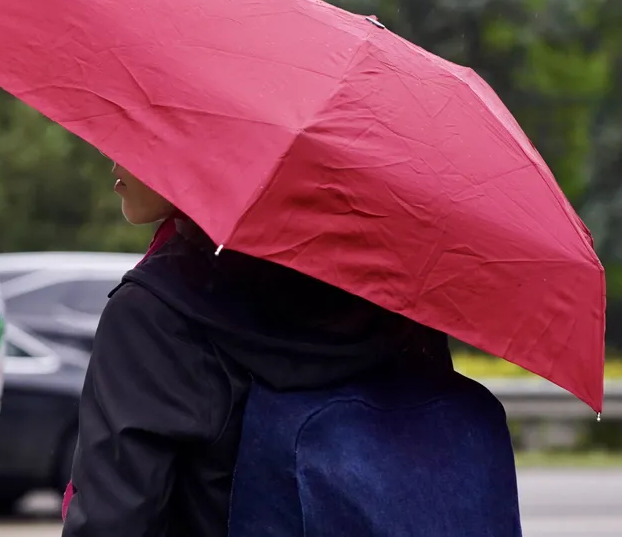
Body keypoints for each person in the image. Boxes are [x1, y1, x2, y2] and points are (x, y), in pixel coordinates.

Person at [60, 164, 522, 536]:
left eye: (145, 138)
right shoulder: (388, 291)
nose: (112, 156)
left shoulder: (157, 313)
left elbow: (114, 519)